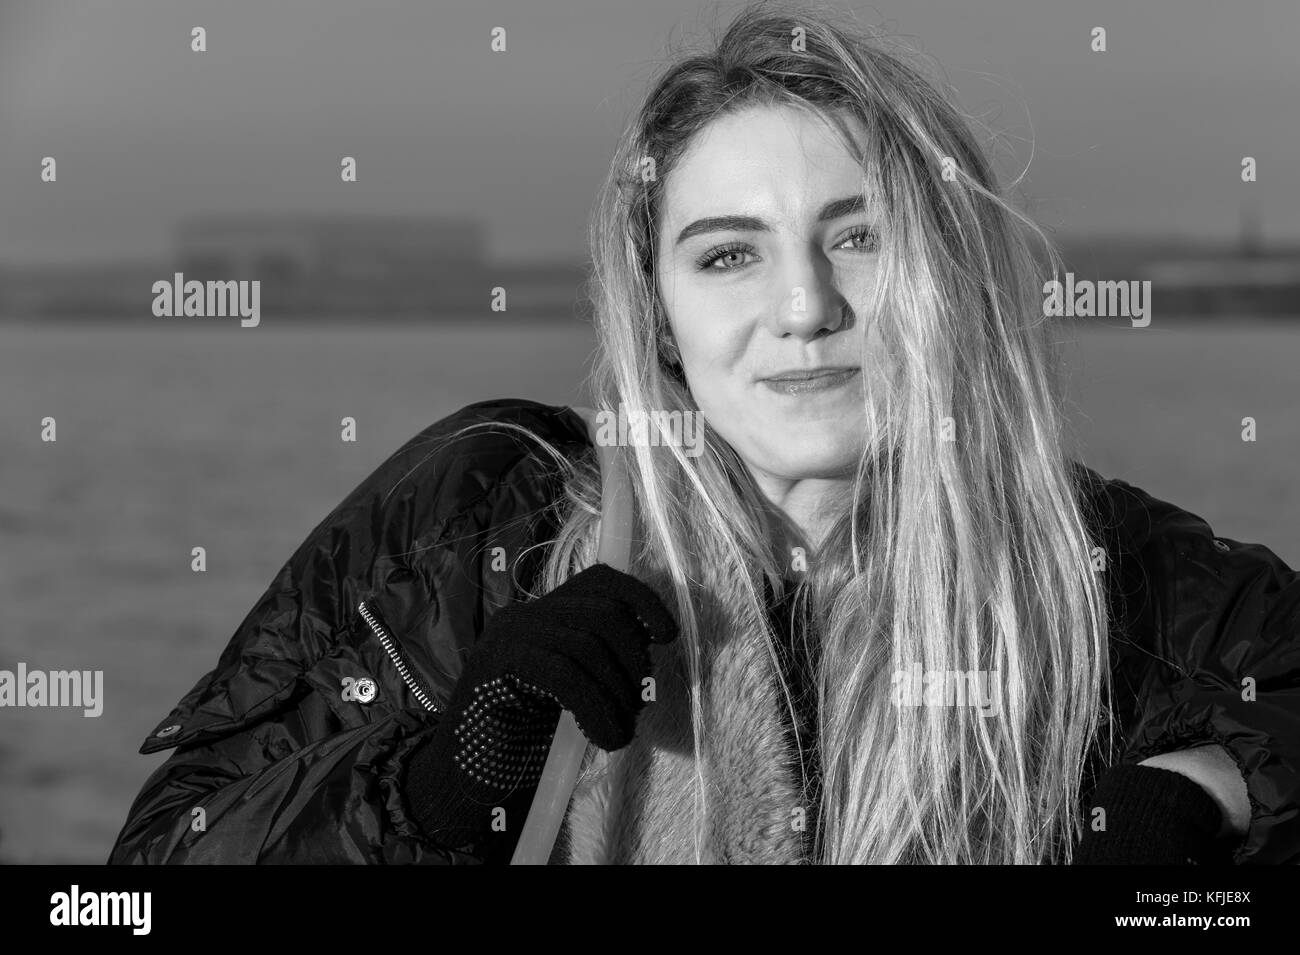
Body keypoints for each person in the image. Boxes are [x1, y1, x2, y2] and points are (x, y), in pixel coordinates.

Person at [108, 3, 1300, 865]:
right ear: (661, 316)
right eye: (728, 253)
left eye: (858, 235)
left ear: (955, 273)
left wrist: (1200, 804)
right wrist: (441, 785)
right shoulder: (478, 528)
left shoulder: (1119, 582)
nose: (803, 308)